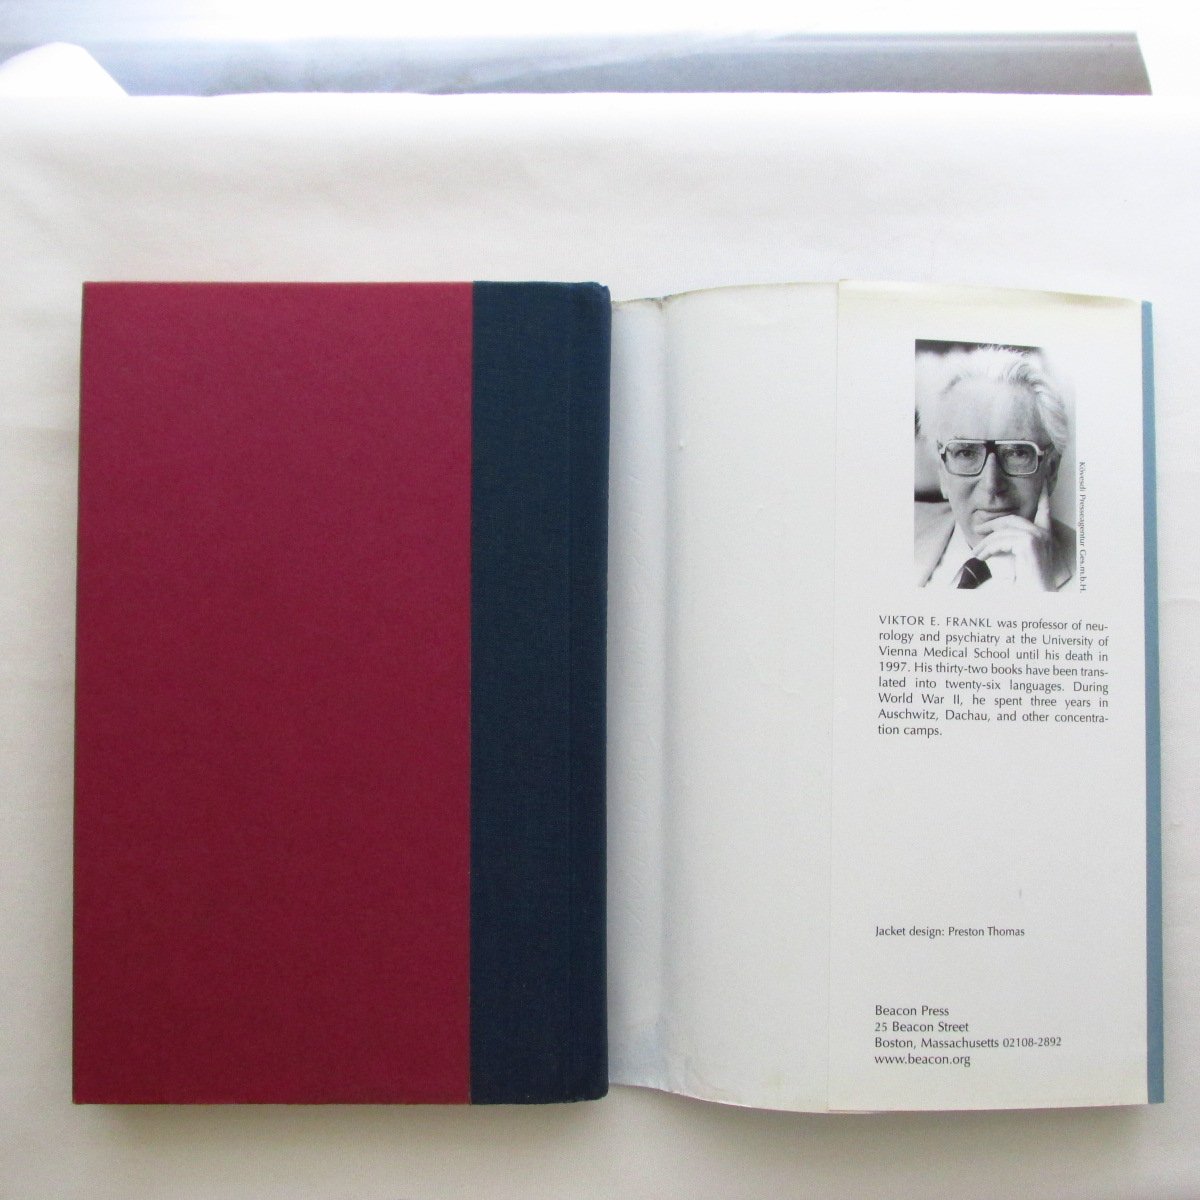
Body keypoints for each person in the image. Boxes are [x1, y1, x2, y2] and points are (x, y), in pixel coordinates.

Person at [915, 345, 1075, 590]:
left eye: (1017, 453)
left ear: (1051, 470)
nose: (991, 485)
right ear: (942, 470)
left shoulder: (1097, 569)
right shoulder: (901, 529)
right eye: (966, 452)